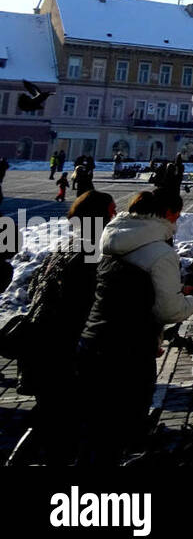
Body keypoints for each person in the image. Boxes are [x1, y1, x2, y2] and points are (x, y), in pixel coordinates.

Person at [77, 189, 193, 464]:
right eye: (177, 216)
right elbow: (169, 309)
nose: (177, 222)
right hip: (129, 353)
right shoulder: (160, 251)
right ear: (167, 214)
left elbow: (128, 290)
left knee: (95, 432)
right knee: (121, 431)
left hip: (93, 342)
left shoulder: (111, 238)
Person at [17, 190, 117, 464]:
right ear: (103, 215)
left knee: (49, 421)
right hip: (65, 353)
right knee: (63, 429)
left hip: (42, 347)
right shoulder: (92, 251)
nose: (116, 215)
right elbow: (90, 304)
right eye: (113, 210)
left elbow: (36, 289)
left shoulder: (69, 244)